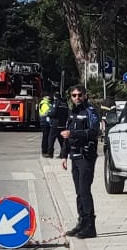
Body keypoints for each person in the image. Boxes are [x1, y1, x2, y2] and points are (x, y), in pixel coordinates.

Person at [58, 86, 101, 239]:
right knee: (78, 192)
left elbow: (94, 132)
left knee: (84, 191)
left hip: (86, 156)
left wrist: (73, 133)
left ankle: (90, 226)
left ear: (85, 95)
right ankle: (81, 222)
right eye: (73, 95)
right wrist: (63, 155)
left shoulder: (90, 111)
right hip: (74, 156)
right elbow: (66, 136)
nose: (76, 98)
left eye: (79, 95)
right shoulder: (73, 113)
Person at [38, 93, 58, 158]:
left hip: (48, 122)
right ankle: (44, 151)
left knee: (49, 137)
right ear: (44, 97)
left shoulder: (48, 103)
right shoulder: (43, 103)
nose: (49, 97)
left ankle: (47, 151)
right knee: (45, 137)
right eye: (47, 96)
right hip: (44, 122)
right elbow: (48, 112)